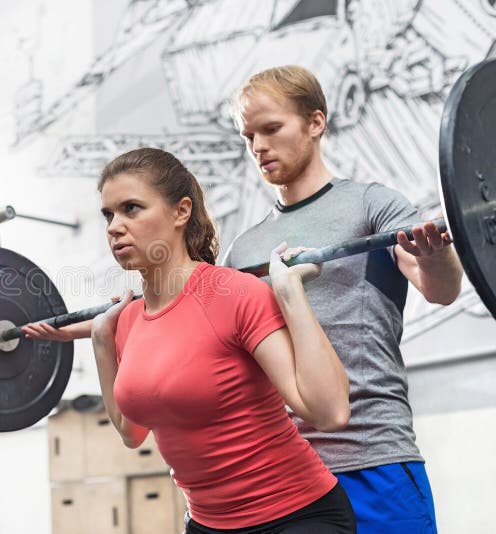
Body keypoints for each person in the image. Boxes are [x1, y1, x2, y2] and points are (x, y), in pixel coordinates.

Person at [30, 147, 356, 532]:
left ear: (181, 212)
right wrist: (102, 340)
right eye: (108, 214)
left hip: (297, 514)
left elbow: (330, 413)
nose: (114, 227)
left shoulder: (236, 294)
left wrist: (289, 292)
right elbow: (131, 432)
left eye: (131, 209)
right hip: (207, 523)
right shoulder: (128, 321)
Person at [222, 65, 463, 533]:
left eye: (271, 129)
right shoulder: (243, 250)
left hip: (372, 459)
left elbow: (440, 288)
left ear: (316, 122)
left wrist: (436, 256)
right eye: (248, 136)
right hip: (285, 475)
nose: (258, 147)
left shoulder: (373, 205)